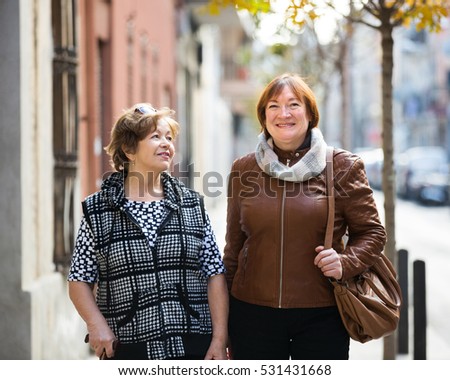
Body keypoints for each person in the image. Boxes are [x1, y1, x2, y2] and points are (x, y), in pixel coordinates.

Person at [223, 73, 386, 360]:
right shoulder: (243, 169)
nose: (283, 114)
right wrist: (222, 320)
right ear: (264, 116)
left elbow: (372, 233)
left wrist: (345, 262)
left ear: (310, 113)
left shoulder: (342, 166)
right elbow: (234, 248)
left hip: (322, 315)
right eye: (273, 106)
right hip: (251, 315)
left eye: (293, 104)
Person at [68, 103, 229, 360]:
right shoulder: (98, 210)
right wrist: (95, 324)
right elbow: (79, 279)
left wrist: (219, 340)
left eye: (169, 137)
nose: (167, 144)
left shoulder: (191, 204)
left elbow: (215, 274)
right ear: (129, 149)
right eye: (156, 137)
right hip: (129, 345)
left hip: (191, 342)